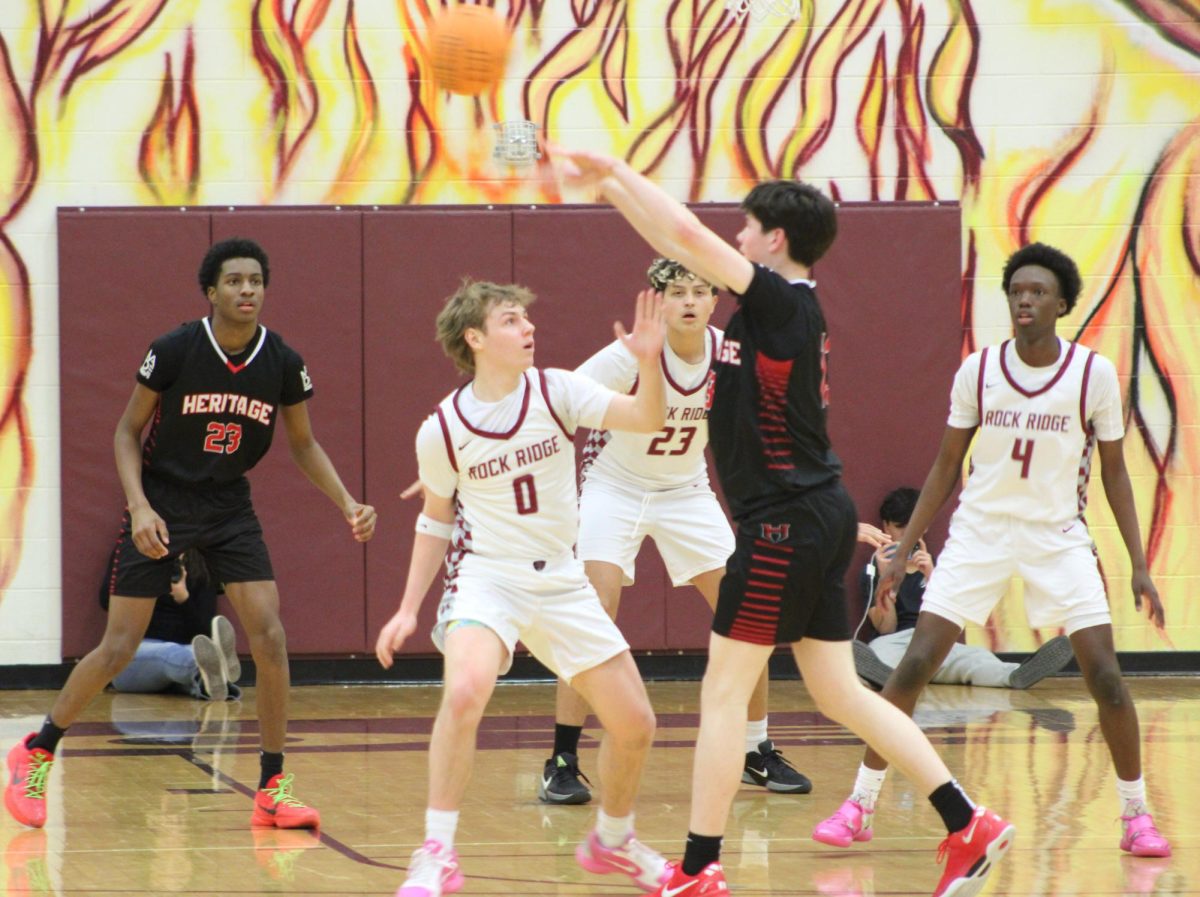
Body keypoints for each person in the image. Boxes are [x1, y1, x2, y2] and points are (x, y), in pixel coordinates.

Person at [551, 146, 1013, 897]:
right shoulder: (785, 307)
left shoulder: (780, 299)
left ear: (775, 239)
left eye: (748, 226)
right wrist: (608, 186)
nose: (735, 235)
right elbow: (680, 244)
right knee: (838, 691)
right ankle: (967, 820)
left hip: (782, 523)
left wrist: (612, 176)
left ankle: (699, 868)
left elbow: (683, 238)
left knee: (724, 692)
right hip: (814, 514)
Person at [4, 238, 376, 832]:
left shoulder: (282, 361)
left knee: (271, 638)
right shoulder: (174, 349)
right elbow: (126, 433)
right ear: (211, 290)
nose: (247, 290)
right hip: (165, 500)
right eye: (234, 281)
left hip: (229, 503)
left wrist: (347, 502)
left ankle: (273, 784)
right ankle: (38, 750)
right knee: (119, 646)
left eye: (256, 280)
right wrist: (140, 506)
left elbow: (302, 444)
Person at [813, 242, 1170, 860]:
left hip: (1056, 536)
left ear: (1061, 303)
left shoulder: (1094, 375)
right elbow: (947, 464)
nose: (1024, 300)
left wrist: (1139, 563)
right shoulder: (979, 370)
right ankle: (861, 803)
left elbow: (1114, 473)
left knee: (1106, 676)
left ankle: (1135, 814)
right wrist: (900, 551)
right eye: (1015, 292)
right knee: (915, 663)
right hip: (980, 531)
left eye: (1036, 292)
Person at [375, 281, 672, 897]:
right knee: (464, 692)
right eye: (512, 320)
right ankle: (436, 852)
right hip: (488, 577)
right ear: (475, 339)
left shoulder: (557, 389)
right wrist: (406, 609)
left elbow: (647, 418)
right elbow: (434, 520)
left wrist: (649, 364)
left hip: (561, 580)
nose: (529, 328)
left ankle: (613, 841)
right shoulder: (443, 428)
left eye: (528, 318)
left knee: (636, 723)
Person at [540, 257, 810, 806]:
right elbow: (558, 401)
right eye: (677, 290)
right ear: (659, 300)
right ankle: (562, 760)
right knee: (591, 611)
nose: (688, 300)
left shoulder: (732, 354)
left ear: (716, 301)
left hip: (687, 490)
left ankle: (755, 750)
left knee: (749, 613)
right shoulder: (630, 353)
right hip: (613, 485)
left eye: (700, 290)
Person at [851, 487, 1074, 690]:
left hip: (932, 642)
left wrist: (930, 575)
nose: (908, 535)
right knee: (879, 653)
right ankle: (890, 678)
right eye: (901, 528)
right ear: (886, 527)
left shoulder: (940, 566)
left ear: (925, 525)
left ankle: (1014, 675)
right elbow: (886, 627)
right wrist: (885, 581)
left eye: (914, 527)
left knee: (977, 658)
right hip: (894, 642)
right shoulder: (873, 569)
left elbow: (949, 620)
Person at [100, 548, 242, 702]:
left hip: (184, 654)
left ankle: (209, 684)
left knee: (190, 660)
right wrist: (146, 580)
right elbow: (106, 601)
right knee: (172, 654)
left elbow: (203, 630)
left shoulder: (200, 562)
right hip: (133, 654)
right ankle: (215, 667)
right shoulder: (132, 551)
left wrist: (184, 598)